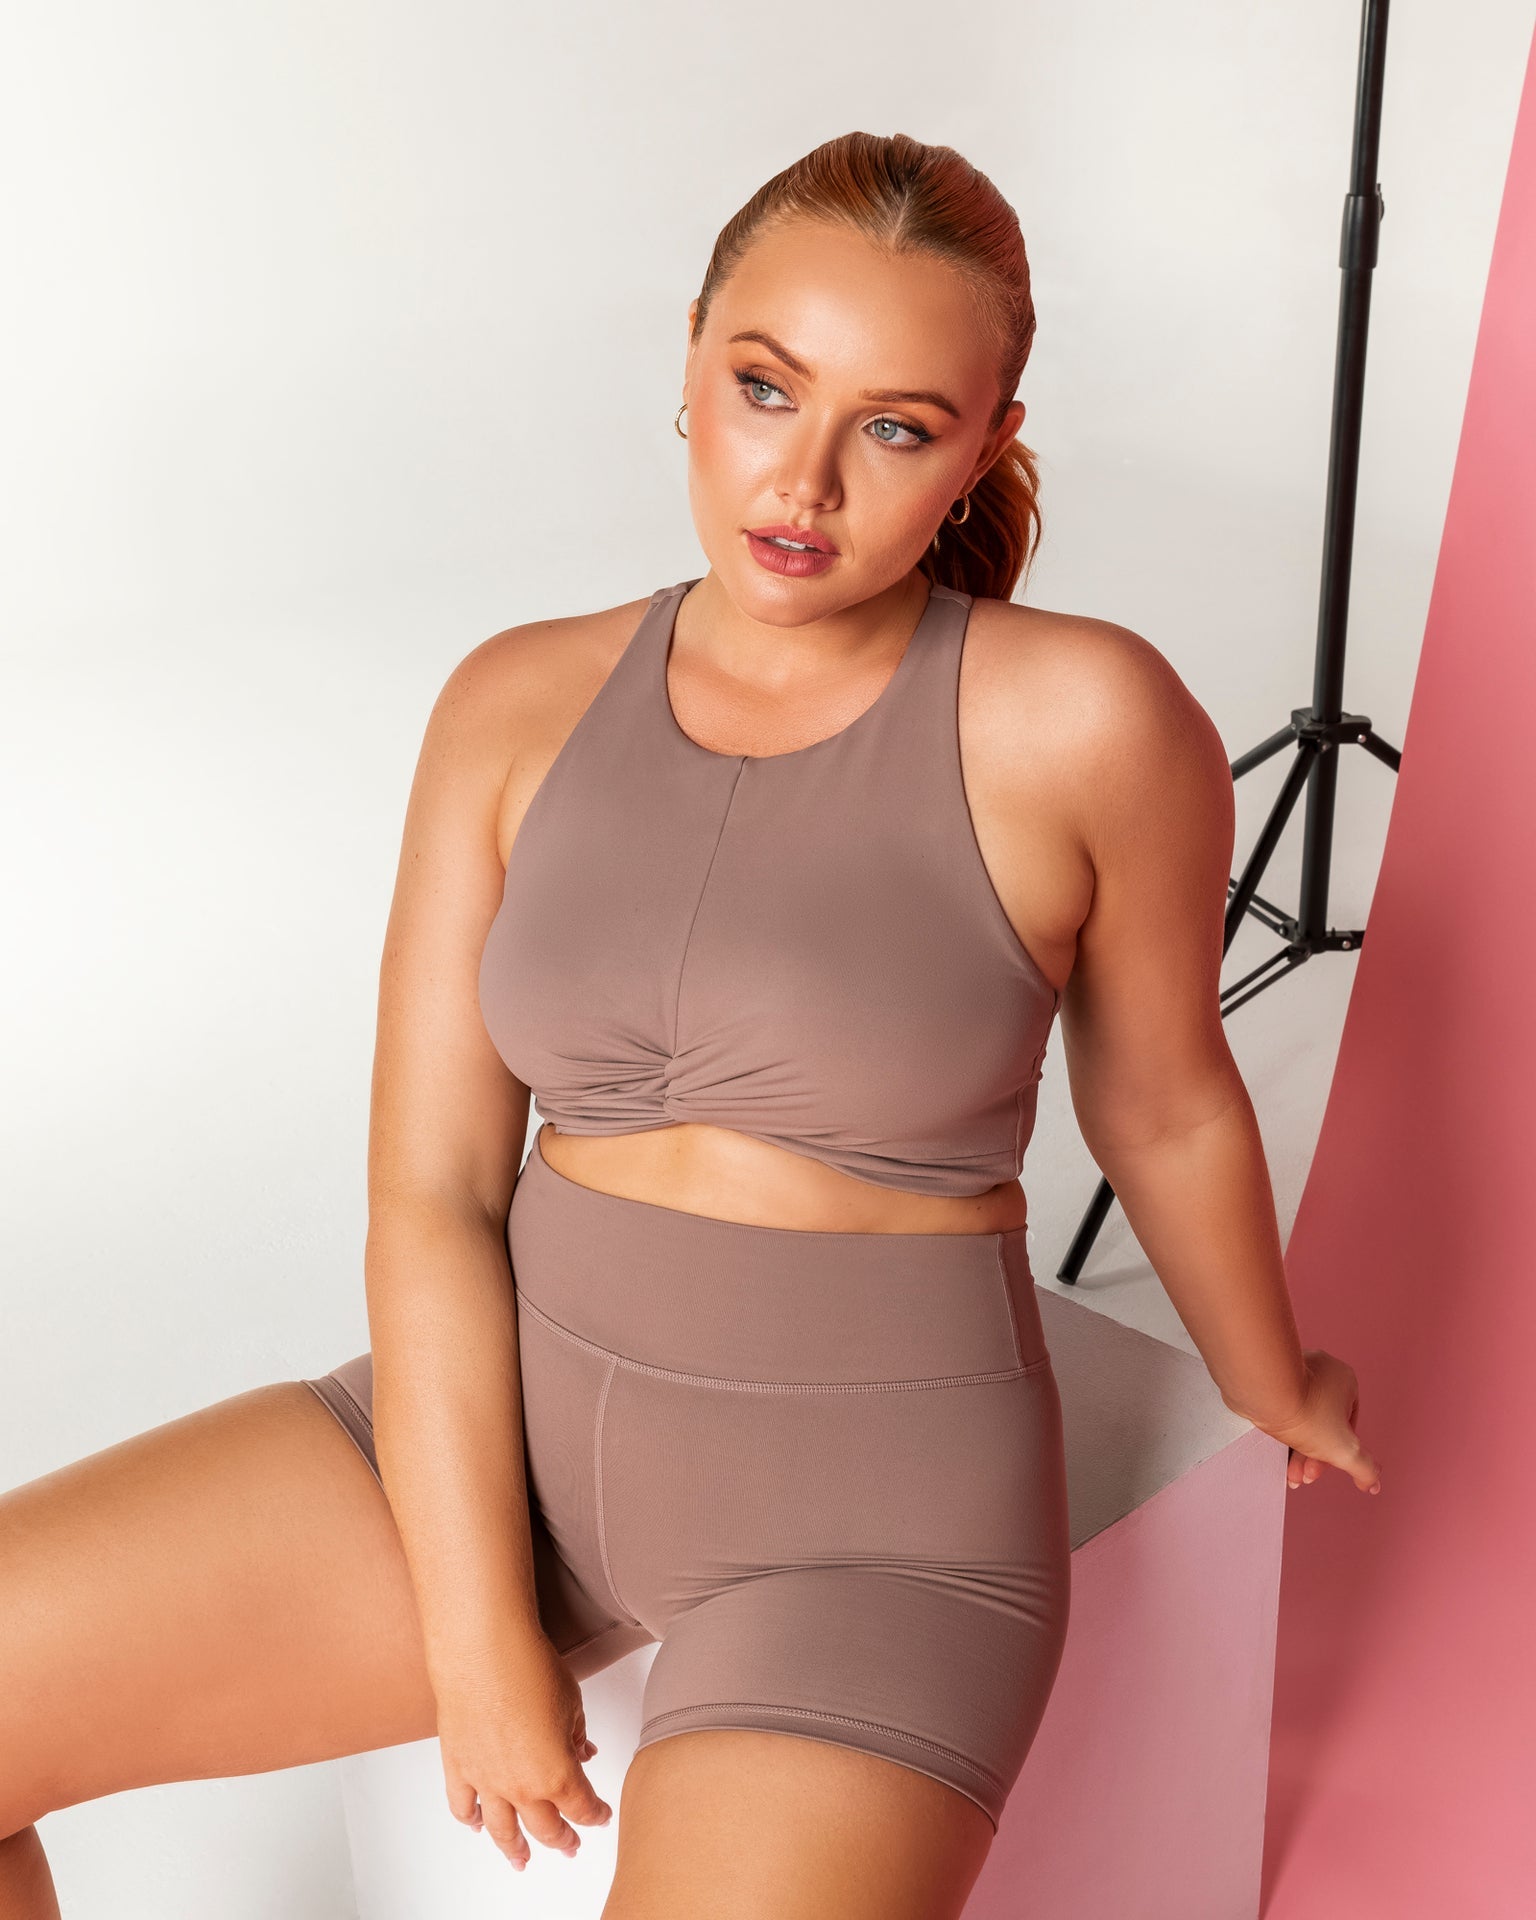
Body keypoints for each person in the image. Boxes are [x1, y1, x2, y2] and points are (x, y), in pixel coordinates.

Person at [0, 130, 1381, 1920]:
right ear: (692, 359)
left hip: (872, 1540)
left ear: (987, 444)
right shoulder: (515, 700)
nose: (803, 480)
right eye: (764, 388)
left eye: (897, 428)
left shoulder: (1087, 719)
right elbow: (432, 1192)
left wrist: (1275, 1378)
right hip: (499, 1424)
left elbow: (1167, 1103)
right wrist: (479, 1638)